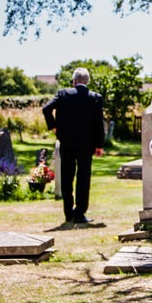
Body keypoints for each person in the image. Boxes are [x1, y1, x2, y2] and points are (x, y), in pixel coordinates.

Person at [42, 67, 104, 223]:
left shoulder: (63, 94)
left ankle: (68, 213)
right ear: (87, 82)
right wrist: (99, 145)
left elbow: (46, 109)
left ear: (74, 81)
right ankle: (80, 213)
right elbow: (99, 124)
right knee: (83, 178)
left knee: (67, 177)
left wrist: (54, 127)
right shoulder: (95, 97)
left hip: (67, 142)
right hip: (86, 145)